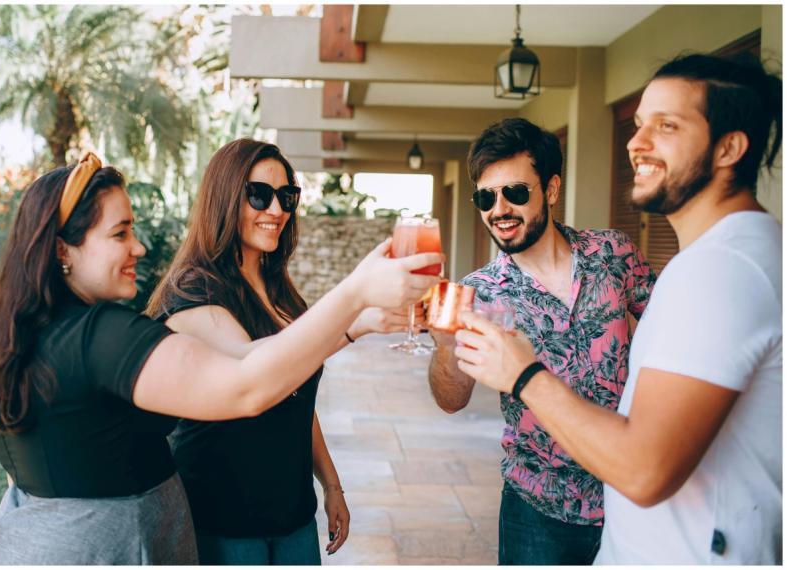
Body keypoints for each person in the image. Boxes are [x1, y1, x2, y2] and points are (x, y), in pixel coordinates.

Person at [0, 152, 442, 565]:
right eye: (121, 233)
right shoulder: (104, 336)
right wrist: (355, 294)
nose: (139, 247)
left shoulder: (27, 334)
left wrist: (356, 324)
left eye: (287, 196)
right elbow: (248, 382)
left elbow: (285, 382)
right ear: (63, 249)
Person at [454, 53, 782, 564]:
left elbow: (644, 469)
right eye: (638, 124)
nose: (635, 143)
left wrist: (523, 374)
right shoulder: (711, 263)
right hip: (544, 506)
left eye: (666, 125)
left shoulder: (720, 271)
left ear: (729, 148)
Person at [145, 139, 419, 565]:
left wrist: (331, 485)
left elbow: (295, 395)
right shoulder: (192, 291)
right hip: (224, 521)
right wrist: (354, 300)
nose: (276, 210)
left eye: (287, 196)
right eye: (259, 195)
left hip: (291, 517)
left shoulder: (280, 292)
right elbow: (258, 370)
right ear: (224, 198)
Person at [428, 118, 655, 565]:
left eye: (515, 192)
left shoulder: (613, 254)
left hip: (630, 490)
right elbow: (451, 399)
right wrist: (443, 346)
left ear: (550, 191)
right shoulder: (480, 291)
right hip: (536, 507)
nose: (499, 209)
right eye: (485, 197)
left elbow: (670, 330)